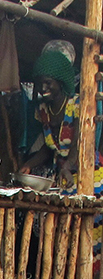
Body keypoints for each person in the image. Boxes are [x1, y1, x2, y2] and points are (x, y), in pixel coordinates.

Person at [18, 49, 103, 196]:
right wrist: (28, 165)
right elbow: (50, 146)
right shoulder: (43, 110)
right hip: (64, 177)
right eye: (39, 83)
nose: (43, 88)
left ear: (60, 81)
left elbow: (79, 141)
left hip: (89, 175)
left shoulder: (77, 105)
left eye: (48, 82)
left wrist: (67, 167)